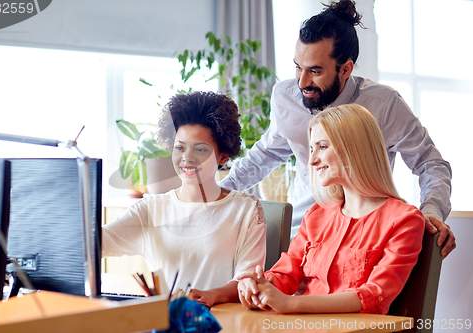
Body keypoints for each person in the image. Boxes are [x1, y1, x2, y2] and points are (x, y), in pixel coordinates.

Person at [220, 0, 455, 257]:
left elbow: (431, 163)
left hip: (364, 240)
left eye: (315, 71)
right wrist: (216, 195)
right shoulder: (284, 97)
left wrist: (431, 211)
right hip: (303, 238)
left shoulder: (384, 105)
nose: (302, 81)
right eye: (298, 67)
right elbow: (264, 155)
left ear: (346, 68)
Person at [237, 103, 425, 315]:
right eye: (311, 149)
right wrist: (260, 288)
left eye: (322, 147)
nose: (312, 160)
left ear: (353, 148)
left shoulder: (404, 220)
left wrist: (291, 304)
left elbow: (376, 293)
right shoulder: (316, 215)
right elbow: (285, 274)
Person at [102, 91, 266, 306]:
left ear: (223, 156)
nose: (187, 158)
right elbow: (96, 244)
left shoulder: (245, 210)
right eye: (180, 147)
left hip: (222, 322)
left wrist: (212, 295)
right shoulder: (150, 209)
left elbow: (248, 280)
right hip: (164, 323)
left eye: (200, 149)